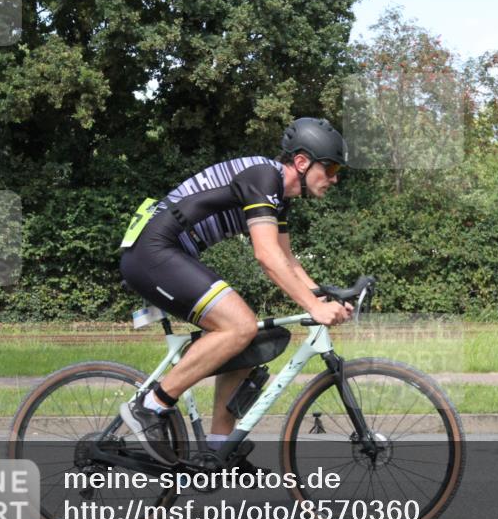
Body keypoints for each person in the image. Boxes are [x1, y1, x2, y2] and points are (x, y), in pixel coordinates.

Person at [118, 117, 353, 465]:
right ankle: (150, 406)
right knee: (240, 325)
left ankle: (217, 448)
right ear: (302, 163)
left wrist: (321, 298)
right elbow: (267, 256)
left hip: (168, 252)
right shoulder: (264, 177)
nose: (334, 178)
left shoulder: (277, 195)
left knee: (250, 339)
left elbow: (287, 260)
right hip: (153, 251)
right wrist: (312, 307)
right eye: (330, 167)